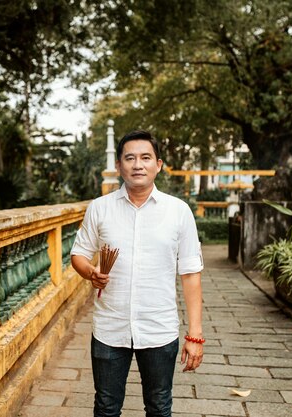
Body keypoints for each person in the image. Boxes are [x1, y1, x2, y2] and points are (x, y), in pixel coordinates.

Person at [70, 129, 204, 417]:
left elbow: (191, 273)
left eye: (145, 157)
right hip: (110, 327)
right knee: (106, 407)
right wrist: (90, 272)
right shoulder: (100, 208)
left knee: (158, 407)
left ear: (159, 164)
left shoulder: (178, 212)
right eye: (129, 158)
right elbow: (78, 254)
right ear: (119, 166)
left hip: (159, 329)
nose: (137, 164)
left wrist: (195, 334)